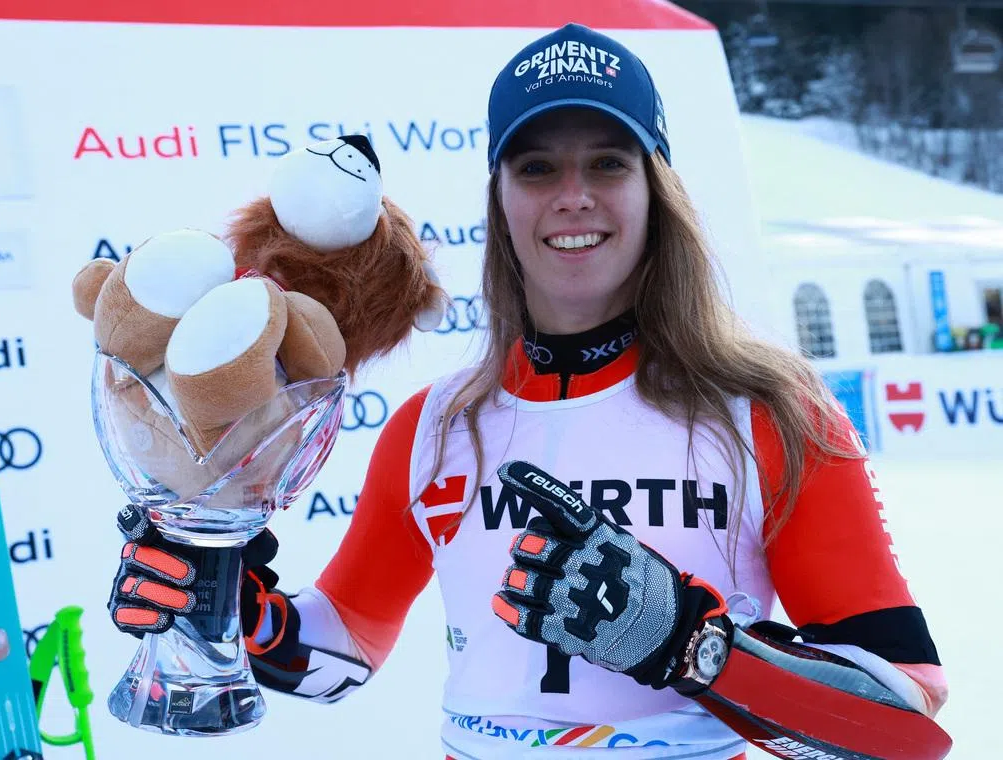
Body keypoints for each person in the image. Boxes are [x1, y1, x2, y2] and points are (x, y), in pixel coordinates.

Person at [109, 23, 950, 760]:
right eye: (538, 165)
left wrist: (688, 644)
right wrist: (229, 610)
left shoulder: (770, 413)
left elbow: (903, 723)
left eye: (608, 163)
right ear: (500, 199)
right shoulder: (433, 426)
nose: (573, 196)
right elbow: (341, 649)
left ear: (656, 192)